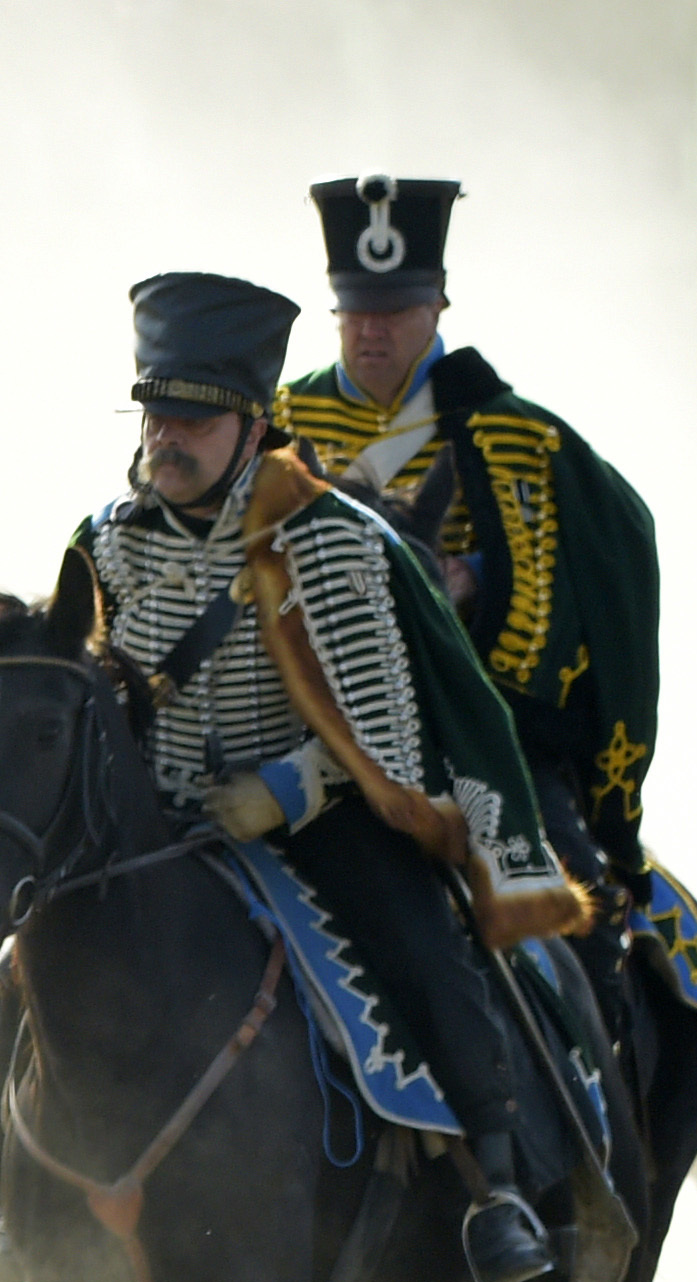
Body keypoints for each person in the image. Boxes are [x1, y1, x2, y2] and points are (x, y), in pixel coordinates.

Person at [0, 272, 587, 1282]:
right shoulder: (105, 540)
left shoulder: (327, 541)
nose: (166, 438)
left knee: (417, 944)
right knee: (27, 962)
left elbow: (387, 725)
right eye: (154, 414)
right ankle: (17, 1225)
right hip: (154, 824)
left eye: (191, 417)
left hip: (320, 818)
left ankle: (497, 1189)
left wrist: (279, 794)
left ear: (248, 424)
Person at [274, 177, 661, 899]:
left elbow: (567, 577)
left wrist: (480, 576)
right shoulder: (285, 419)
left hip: (476, 726)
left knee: (575, 899)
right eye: (355, 311)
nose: (371, 330)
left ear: (437, 306)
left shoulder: (519, 434)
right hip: (306, 714)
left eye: (393, 311)